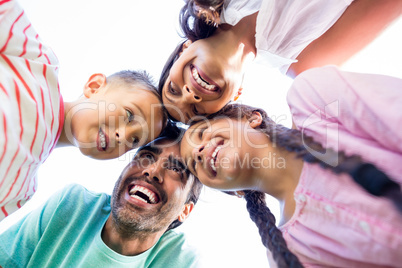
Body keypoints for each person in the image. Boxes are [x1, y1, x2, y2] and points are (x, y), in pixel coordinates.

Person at [180, 66, 402, 267]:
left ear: (250, 119)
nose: (198, 151)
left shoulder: (315, 101)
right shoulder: (289, 252)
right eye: (193, 163)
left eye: (201, 133)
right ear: (233, 191)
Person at [0, 0, 166, 220]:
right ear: (94, 86)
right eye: (129, 115)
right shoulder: (40, 65)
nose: (122, 136)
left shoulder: (23, 188)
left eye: (134, 141)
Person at [158, 0, 402, 123]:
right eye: (197, 111)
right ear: (235, 97)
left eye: (173, 89)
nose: (190, 95)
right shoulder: (306, 61)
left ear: (183, 49)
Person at [0, 124, 203, 267]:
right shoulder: (71, 203)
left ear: (185, 210)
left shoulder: (179, 259)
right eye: (147, 156)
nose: (152, 171)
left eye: (176, 169)